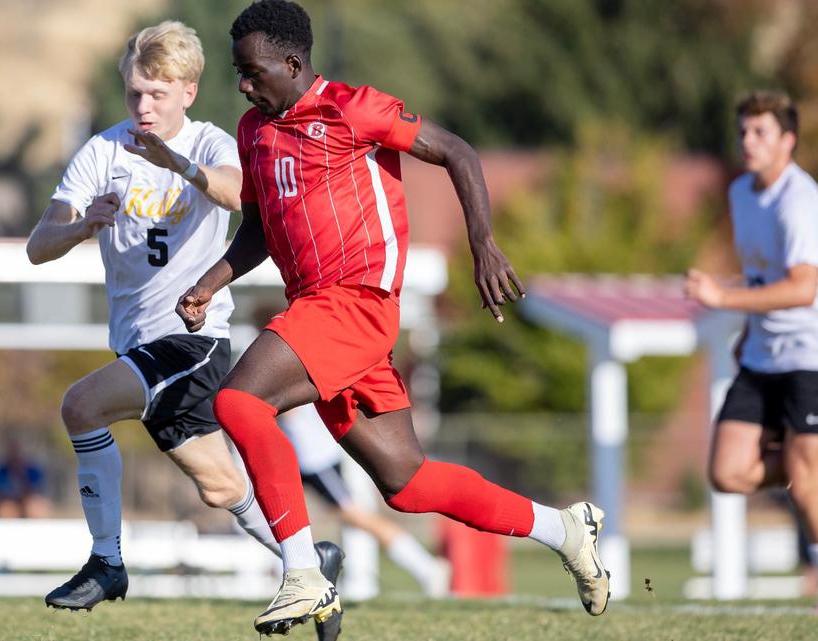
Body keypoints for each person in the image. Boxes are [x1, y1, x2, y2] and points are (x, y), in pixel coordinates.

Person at [176, 1, 610, 633]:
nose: (243, 86)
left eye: (252, 72)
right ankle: (564, 529)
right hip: (319, 315)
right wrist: (208, 284)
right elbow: (262, 228)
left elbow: (457, 151)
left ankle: (303, 573)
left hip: (357, 304)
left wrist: (483, 243)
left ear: (292, 63)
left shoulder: (354, 108)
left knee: (239, 402)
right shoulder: (255, 131)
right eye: (239, 73)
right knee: (407, 483)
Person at [25, 20, 343, 631]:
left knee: (81, 407)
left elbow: (235, 193)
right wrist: (82, 225)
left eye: (158, 93)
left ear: (188, 92)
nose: (143, 105)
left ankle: (106, 562)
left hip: (192, 340)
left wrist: (179, 165)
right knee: (221, 487)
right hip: (138, 345)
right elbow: (39, 245)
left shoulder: (210, 143)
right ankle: (311, 565)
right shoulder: (103, 152)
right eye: (135, 92)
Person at [685, 90, 818, 607]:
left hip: (810, 355)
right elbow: (764, 276)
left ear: (788, 140)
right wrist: (749, 325)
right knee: (727, 472)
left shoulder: (799, 200)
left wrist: (723, 299)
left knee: (807, 484)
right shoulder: (742, 192)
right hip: (763, 354)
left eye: (761, 131)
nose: (748, 141)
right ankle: (809, 460)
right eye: (743, 130)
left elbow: (803, 289)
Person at [279, 403, 448, 597]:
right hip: (300, 455)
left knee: (356, 516)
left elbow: (288, 410)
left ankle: (426, 567)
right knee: (282, 513)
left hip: (315, 457)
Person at [0, 435, 51, 518]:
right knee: (7, 509)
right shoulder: (1, 471)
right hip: (10, 501)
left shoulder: (32, 470)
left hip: (27, 500)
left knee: (35, 507)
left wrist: (22, 475)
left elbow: (37, 490)